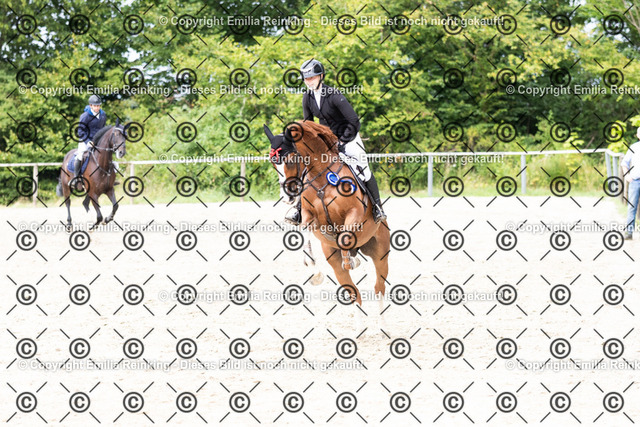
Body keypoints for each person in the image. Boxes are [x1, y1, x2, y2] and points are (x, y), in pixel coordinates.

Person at [285, 58, 387, 225]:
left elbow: (354, 121)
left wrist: (342, 142)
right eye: (306, 79)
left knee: (364, 169)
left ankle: (377, 207)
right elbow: (308, 125)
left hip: (349, 137)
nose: (309, 82)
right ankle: (298, 209)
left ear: (321, 76)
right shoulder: (307, 97)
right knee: (307, 168)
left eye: (312, 78)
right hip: (327, 142)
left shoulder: (334, 95)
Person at [72, 94, 107, 187]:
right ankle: (76, 178)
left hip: (97, 140)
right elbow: (80, 131)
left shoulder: (103, 115)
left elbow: (103, 128)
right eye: (95, 106)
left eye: (98, 105)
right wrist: (88, 141)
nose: (97, 107)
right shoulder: (85, 116)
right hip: (85, 139)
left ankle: (108, 176)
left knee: (106, 152)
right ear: (91, 105)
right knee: (80, 155)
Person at [621, 127, 640, 240]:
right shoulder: (633, 147)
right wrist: (626, 175)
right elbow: (624, 163)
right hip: (635, 181)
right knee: (632, 207)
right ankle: (629, 233)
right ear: (638, 135)